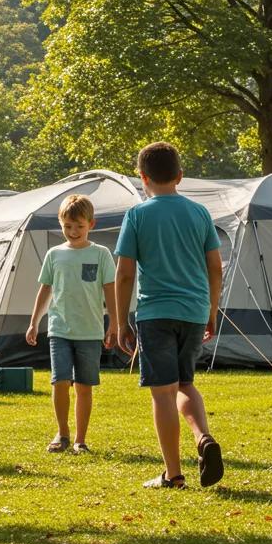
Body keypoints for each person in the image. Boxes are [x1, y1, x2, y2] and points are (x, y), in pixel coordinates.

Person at [114, 142, 224, 489]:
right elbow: (215, 267)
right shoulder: (200, 213)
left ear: (142, 178)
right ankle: (203, 436)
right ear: (179, 176)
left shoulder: (137, 215)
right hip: (193, 311)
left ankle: (173, 474)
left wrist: (119, 321)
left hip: (156, 313)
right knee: (186, 383)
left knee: (163, 393)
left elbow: (125, 273)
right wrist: (212, 310)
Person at [26, 193, 118, 453]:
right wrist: (34, 322)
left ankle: (80, 439)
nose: (73, 231)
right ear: (60, 224)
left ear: (91, 224)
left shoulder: (101, 254)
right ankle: (62, 434)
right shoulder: (55, 255)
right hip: (60, 329)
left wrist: (114, 323)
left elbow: (110, 289)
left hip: (90, 331)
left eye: (79, 226)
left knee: (84, 386)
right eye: (67, 226)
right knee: (60, 382)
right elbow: (45, 290)